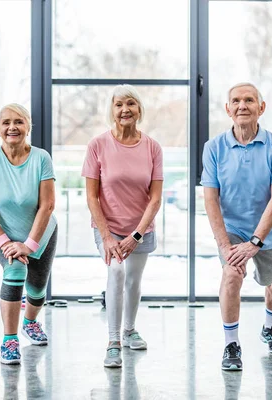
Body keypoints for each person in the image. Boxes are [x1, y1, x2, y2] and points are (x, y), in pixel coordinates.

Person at [201, 82, 272, 371]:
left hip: (270, 229)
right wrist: (225, 246)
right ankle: (231, 344)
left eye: (249, 100)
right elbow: (211, 199)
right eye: (236, 101)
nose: (242, 105)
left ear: (261, 108)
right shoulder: (213, 147)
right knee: (231, 276)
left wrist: (255, 242)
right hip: (232, 228)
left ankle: (270, 327)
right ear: (228, 110)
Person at [82, 84, 163, 368]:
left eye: (131, 104)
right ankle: (113, 341)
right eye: (119, 104)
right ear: (112, 110)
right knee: (116, 272)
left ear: (139, 109)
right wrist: (106, 237)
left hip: (141, 227)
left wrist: (136, 235)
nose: (125, 109)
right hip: (108, 227)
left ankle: (130, 329)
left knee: (133, 280)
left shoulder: (152, 147)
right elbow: (91, 195)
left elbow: (155, 199)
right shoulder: (98, 145)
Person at [0, 103, 57, 365]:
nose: (13, 127)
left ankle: (30, 322)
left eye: (19, 122)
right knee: (14, 271)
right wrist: (6, 242)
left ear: (28, 127)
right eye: (6, 122)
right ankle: (9, 340)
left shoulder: (41, 158)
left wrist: (29, 245)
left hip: (40, 230)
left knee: (37, 287)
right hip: (3, 230)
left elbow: (47, 205)